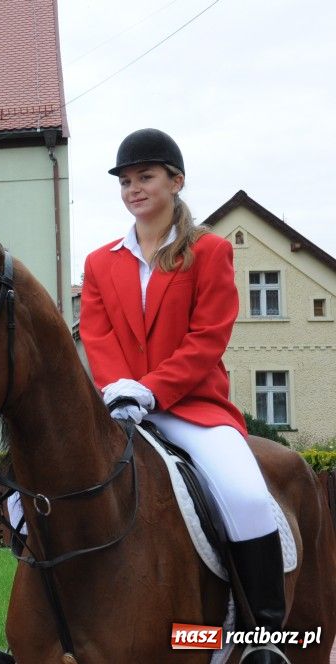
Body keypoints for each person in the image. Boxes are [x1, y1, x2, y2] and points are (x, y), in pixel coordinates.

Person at [79, 129, 286, 664]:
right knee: (30, 495)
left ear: (177, 180)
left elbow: (207, 339)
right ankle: (48, 631)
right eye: (126, 181)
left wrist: (149, 389)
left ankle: (264, 641)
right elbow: (97, 335)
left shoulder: (210, 252)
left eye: (145, 177)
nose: (133, 189)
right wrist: (119, 389)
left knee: (245, 496)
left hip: (193, 408)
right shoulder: (101, 262)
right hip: (121, 408)